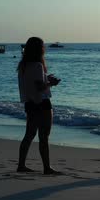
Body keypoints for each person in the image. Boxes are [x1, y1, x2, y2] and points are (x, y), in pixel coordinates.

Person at [16, 37, 62, 175]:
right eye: (43, 46)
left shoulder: (23, 66)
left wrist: (46, 79)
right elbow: (39, 87)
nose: (44, 48)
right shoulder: (37, 65)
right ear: (39, 49)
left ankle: (21, 164)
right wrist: (51, 83)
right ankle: (47, 168)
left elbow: (31, 84)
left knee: (29, 135)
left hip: (29, 103)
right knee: (44, 137)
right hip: (42, 103)